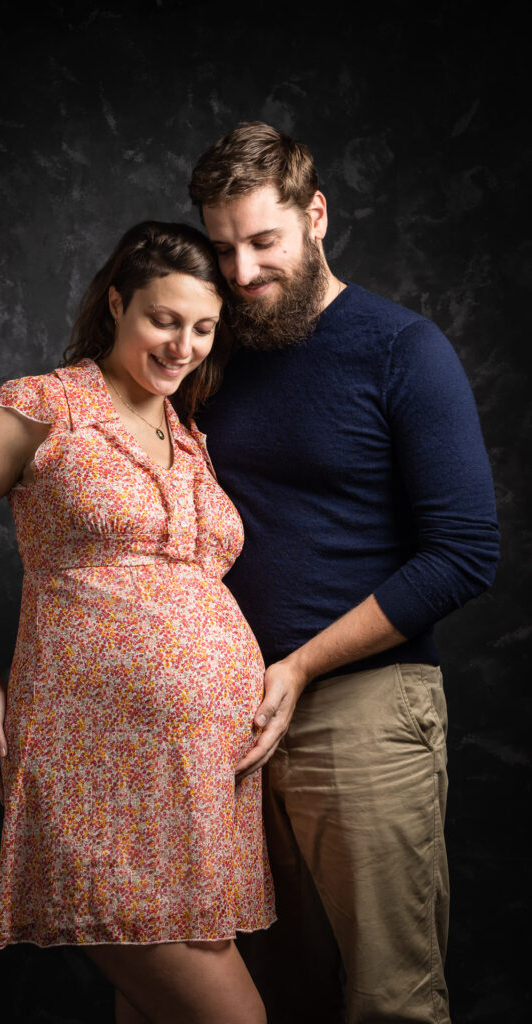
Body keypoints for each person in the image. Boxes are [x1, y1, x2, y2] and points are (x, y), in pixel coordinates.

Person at [0, 220, 275, 1024]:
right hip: (96, 772)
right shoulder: (42, 407)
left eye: (202, 328)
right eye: (164, 320)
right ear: (118, 303)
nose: (183, 346)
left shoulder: (186, 433)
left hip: (200, 781)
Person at [189, 122, 500, 1024]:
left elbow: (462, 554)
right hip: (233, 722)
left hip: (362, 708)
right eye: (221, 249)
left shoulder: (403, 349)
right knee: (274, 996)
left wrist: (300, 666)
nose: (241, 273)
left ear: (315, 216)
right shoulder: (211, 350)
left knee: (387, 1000)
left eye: (262, 243)